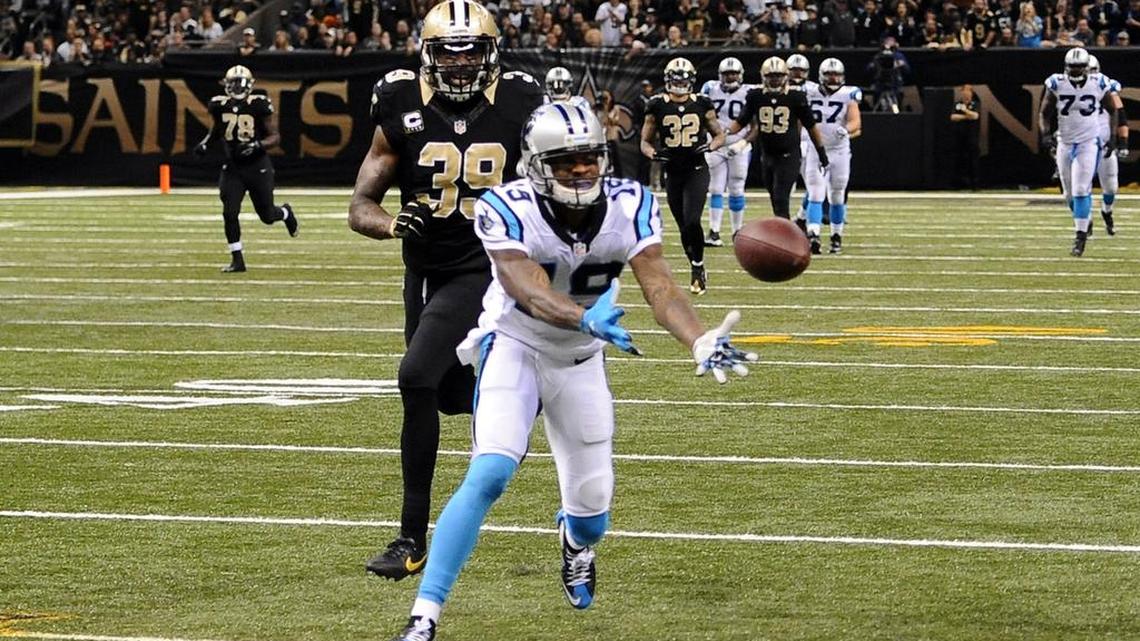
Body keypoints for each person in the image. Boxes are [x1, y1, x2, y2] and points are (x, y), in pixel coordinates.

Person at [388, 102, 756, 641]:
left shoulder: (630, 202)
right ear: (536, 165)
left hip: (580, 360)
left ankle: (575, 542)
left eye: (589, 157)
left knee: (592, 513)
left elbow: (659, 284)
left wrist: (697, 338)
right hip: (515, 345)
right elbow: (528, 289)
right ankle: (425, 615)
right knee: (489, 472)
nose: (581, 169)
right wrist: (584, 316)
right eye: (566, 161)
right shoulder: (505, 206)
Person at [348, 0, 545, 581]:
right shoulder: (399, 101)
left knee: (414, 376)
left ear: (492, 54)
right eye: (448, 53)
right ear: (427, 55)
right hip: (426, 270)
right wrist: (391, 225)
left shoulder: (521, 103)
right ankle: (516, 390)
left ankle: (411, 538)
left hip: (487, 268)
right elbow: (360, 206)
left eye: (470, 52)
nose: (459, 64)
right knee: (445, 396)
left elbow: (552, 185)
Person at [194, 65, 298, 273]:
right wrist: (205, 143)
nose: (237, 88)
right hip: (233, 167)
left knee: (267, 215)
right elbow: (217, 131)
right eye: (233, 83)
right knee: (229, 212)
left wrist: (257, 145)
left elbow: (275, 137)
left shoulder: (258, 104)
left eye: (240, 84)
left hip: (257, 166)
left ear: (249, 85)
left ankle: (286, 213)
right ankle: (237, 260)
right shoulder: (219, 105)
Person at [640, 57, 726, 295]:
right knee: (683, 228)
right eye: (675, 79)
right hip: (673, 171)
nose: (679, 83)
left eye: (683, 79)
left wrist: (711, 146)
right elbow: (645, 142)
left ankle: (697, 268)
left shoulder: (702, 102)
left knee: (692, 220)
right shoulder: (657, 104)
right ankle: (695, 263)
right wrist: (653, 154)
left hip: (696, 169)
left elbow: (719, 135)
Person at [1038, 47, 1122, 256]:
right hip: (1065, 142)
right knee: (1068, 194)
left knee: (1081, 189)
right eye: (1072, 67)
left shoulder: (1099, 83)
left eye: (1078, 67)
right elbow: (1044, 112)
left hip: (1088, 142)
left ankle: (1080, 237)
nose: (1075, 71)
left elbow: (1113, 110)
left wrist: (1113, 137)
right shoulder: (1057, 83)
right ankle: (1086, 221)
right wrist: (1045, 135)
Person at [727, 57, 828, 228]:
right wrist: (724, 134)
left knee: (781, 199)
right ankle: (788, 232)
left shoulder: (796, 97)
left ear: (785, 76)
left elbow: (811, 127)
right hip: (767, 155)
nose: (775, 80)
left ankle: (787, 237)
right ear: (763, 76)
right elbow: (741, 121)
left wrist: (821, 153)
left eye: (778, 76)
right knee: (775, 199)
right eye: (771, 76)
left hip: (789, 155)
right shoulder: (755, 96)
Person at [802, 58, 861, 254]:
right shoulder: (809, 92)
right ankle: (814, 233)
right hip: (816, 149)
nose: (833, 78)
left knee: (837, 195)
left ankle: (836, 236)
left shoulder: (848, 94)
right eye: (829, 75)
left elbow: (856, 121)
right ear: (821, 76)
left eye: (836, 75)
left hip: (839, 151)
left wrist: (846, 129)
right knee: (815, 192)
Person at [700, 57, 753, 248]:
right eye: (727, 74)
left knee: (736, 188)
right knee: (715, 188)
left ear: (740, 75)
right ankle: (714, 231)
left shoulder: (749, 92)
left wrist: (743, 143)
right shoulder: (710, 89)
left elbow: (756, 125)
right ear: (720, 75)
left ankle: (737, 231)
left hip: (739, 146)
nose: (730, 77)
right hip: (715, 144)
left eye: (734, 73)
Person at [1087, 55, 1128, 236]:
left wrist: (1122, 142)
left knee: (1111, 187)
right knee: (1081, 186)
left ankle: (1106, 210)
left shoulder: (1107, 85)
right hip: (1083, 143)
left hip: (1103, 143)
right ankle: (1085, 220)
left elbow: (1121, 116)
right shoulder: (1069, 87)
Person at [950, 83, 981, 190]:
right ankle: (959, 184)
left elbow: (975, 116)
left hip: (972, 137)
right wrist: (966, 116)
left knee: (973, 161)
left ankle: (975, 185)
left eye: (968, 91)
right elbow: (953, 117)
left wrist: (964, 110)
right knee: (959, 160)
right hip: (959, 137)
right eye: (964, 91)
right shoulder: (957, 104)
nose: (966, 93)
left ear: (971, 93)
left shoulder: (975, 104)